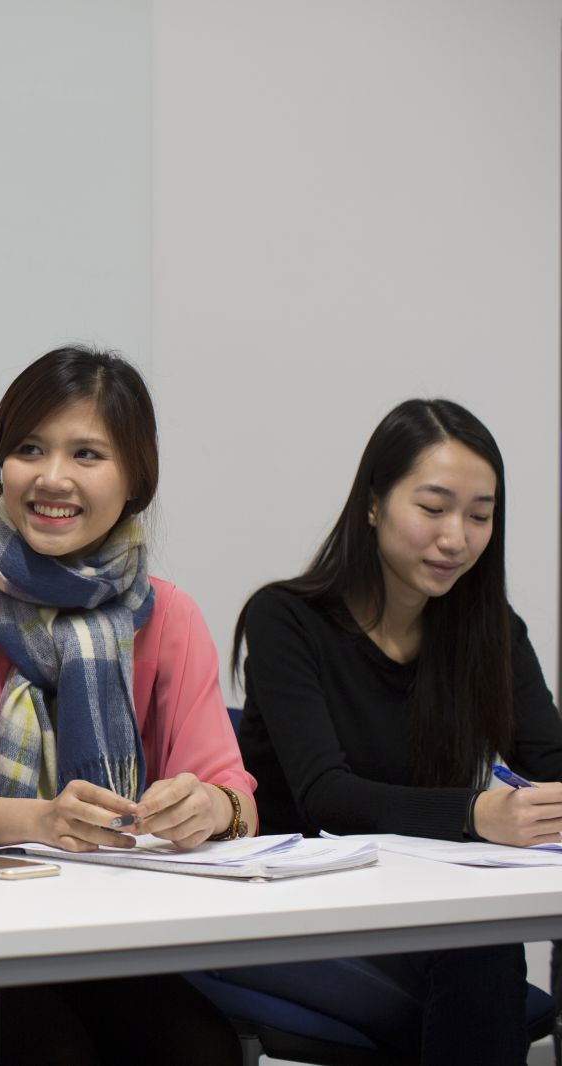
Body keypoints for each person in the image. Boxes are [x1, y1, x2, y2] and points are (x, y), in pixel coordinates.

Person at [0, 345, 253, 1064]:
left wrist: (214, 808)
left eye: (88, 454)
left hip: (106, 933)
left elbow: (233, 792)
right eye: (28, 449)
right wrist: (44, 822)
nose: (51, 477)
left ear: (136, 480)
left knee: (202, 1049)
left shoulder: (171, 617)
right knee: (51, 1052)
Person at [214, 398, 562, 1064]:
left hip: (428, 919)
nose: (456, 538)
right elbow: (328, 797)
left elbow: (549, 761)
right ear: (373, 503)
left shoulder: (490, 631)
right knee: (481, 941)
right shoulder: (286, 620)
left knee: (477, 938)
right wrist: (476, 813)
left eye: (480, 516)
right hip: (305, 917)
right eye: (432, 509)